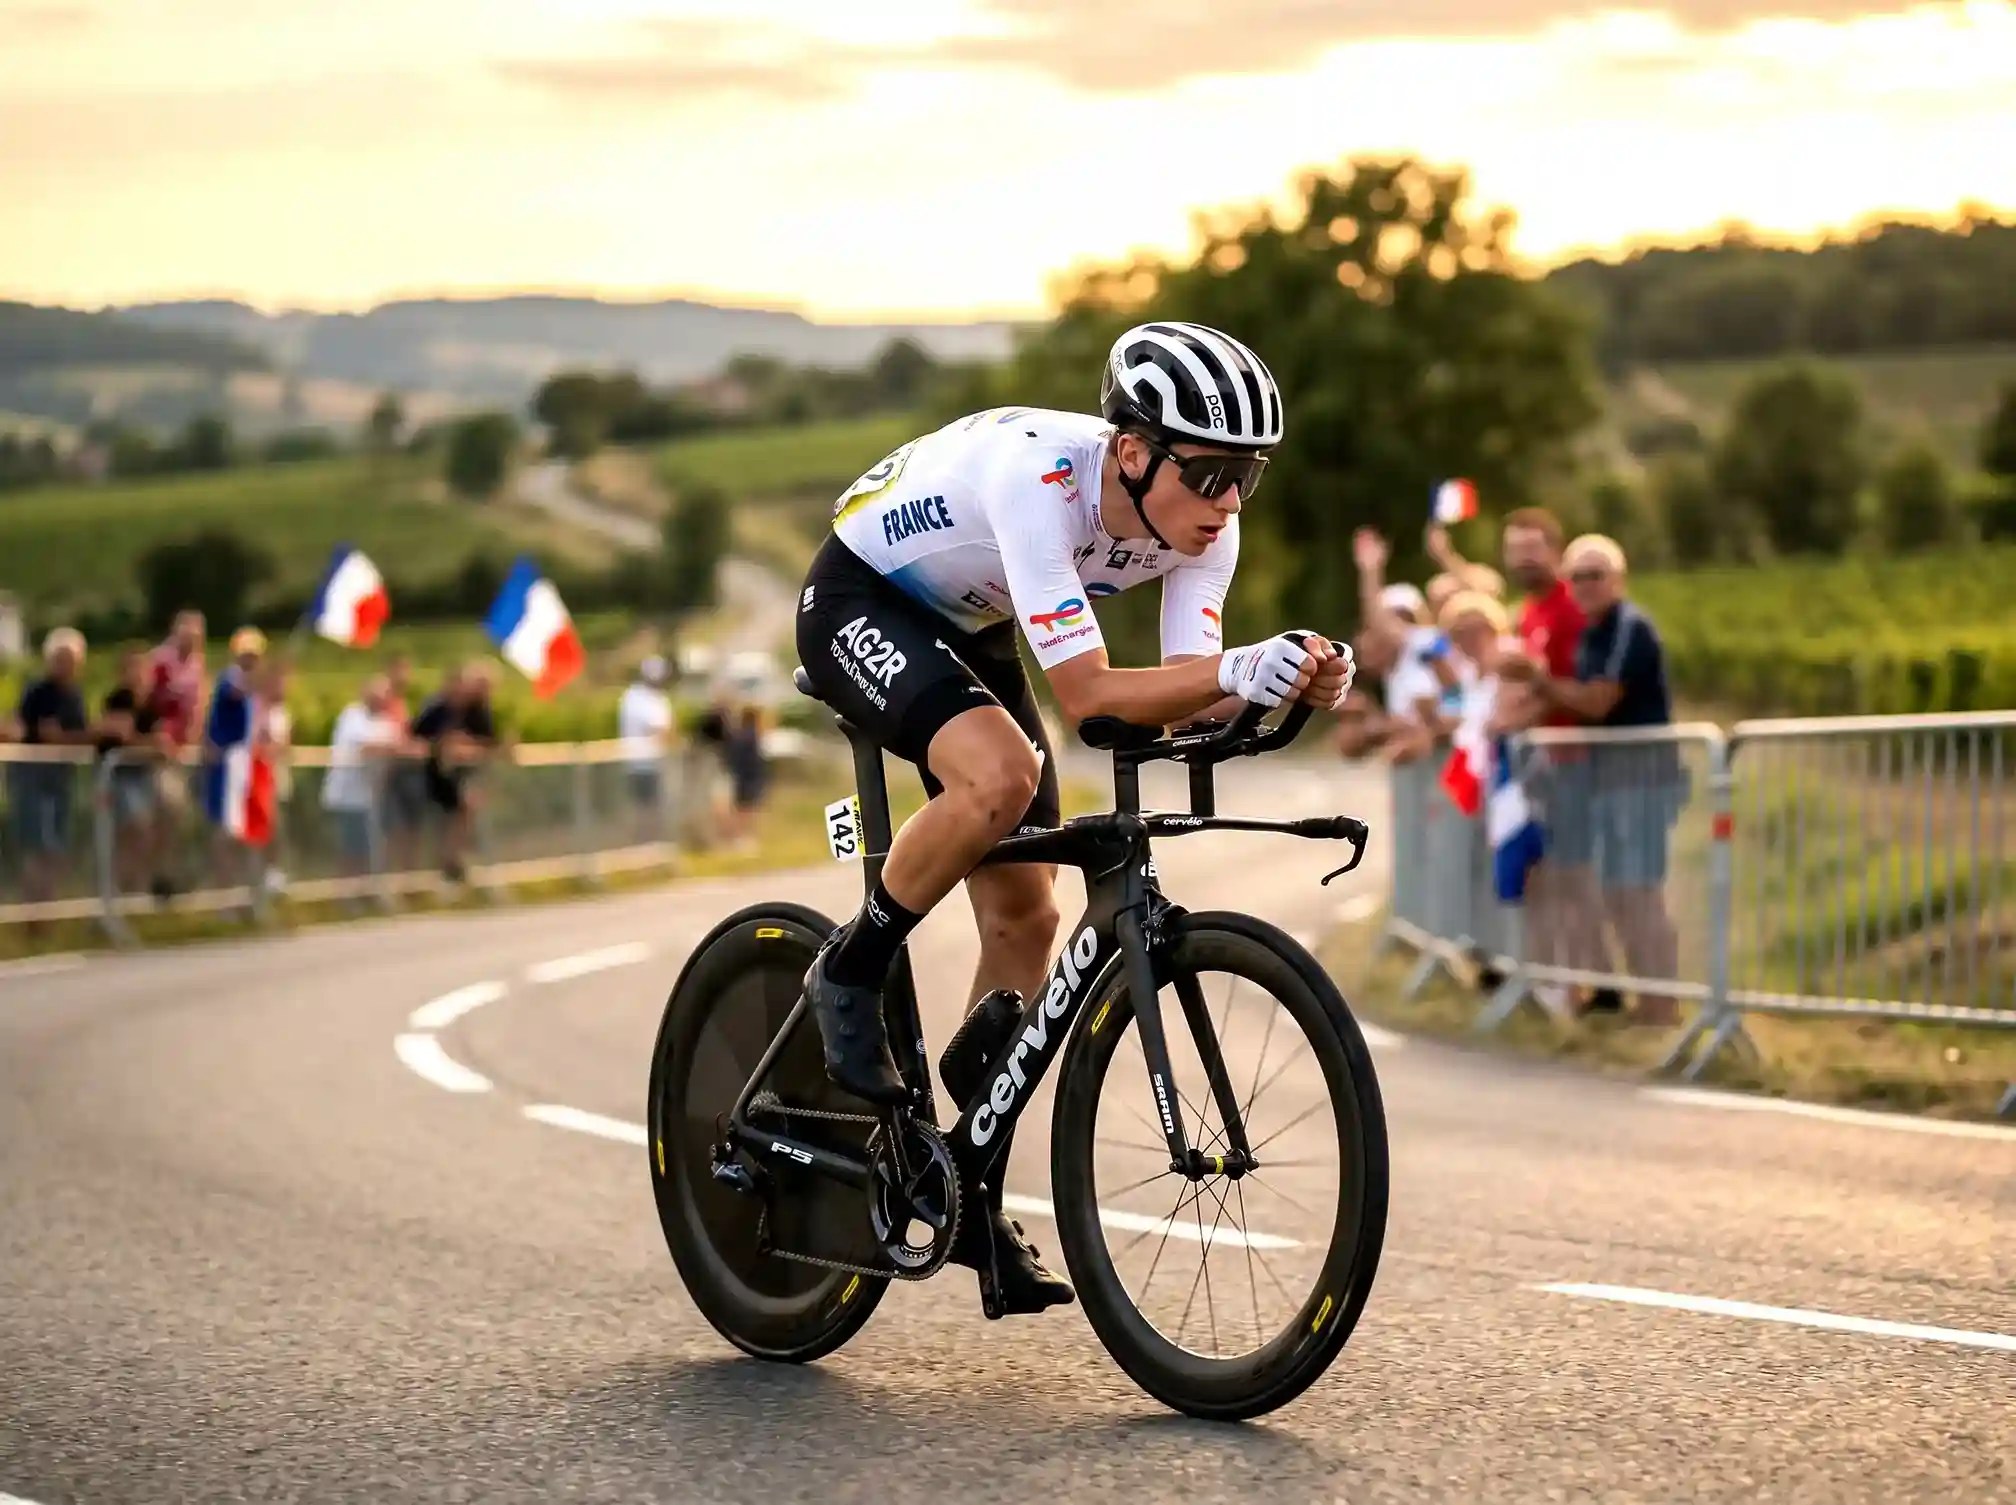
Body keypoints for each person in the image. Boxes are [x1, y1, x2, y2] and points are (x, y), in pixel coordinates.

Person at [792, 321, 1352, 1318]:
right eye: (1211, 472)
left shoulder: (1206, 528)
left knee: (1031, 915)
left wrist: (1286, 677)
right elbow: (1094, 694)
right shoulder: (1039, 483)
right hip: (860, 596)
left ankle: (957, 1181)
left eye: (1247, 477)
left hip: (969, 623)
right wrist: (1231, 672)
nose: (1227, 503)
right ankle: (851, 961)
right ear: (1133, 451)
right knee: (1000, 776)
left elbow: (1188, 686)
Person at [1503, 535, 1682, 1024]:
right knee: (1620, 893)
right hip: (1610, 779)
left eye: (1595, 574)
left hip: (1643, 779)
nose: (1584, 584)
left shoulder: (1628, 626)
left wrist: (1538, 680)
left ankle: (1662, 1006)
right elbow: (1574, 696)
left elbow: (1597, 701)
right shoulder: (1592, 633)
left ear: (1618, 579)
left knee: (1639, 891)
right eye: (1576, 575)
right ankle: (1647, 1001)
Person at [9, 627, 92, 909]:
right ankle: (31, 909)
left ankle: (49, 906)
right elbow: (32, 731)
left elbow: (77, 736)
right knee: (37, 843)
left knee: (57, 844)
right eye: (61, 658)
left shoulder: (75, 697)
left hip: (61, 776)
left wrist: (67, 739)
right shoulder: (37, 691)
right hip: (33, 774)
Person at [412, 660, 499, 883]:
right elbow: (416, 738)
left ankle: (452, 860)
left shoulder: (477, 711)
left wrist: (467, 748)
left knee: (467, 807)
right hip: (435, 774)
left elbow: (488, 743)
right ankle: (444, 862)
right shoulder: (435, 709)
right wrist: (441, 746)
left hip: (464, 775)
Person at [97, 646, 172, 897]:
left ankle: (138, 886)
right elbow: (123, 736)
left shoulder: (150, 705)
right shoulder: (117, 700)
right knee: (132, 830)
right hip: (119, 776)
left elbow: (162, 742)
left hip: (144, 774)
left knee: (150, 829)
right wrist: (150, 744)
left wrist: (154, 744)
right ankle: (119, 891)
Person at [323, 674, 399, 887]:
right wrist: (389, 748)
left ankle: (365, 889)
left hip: (372, 797)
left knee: (371, 848)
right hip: (346, 796)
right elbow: (365, 746)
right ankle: (346, 890)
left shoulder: (386, 723)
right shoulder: (352, 715)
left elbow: (395, 748)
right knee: (349, 848)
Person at [618, 655, 675, 842]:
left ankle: (651, 842)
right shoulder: (638, 698)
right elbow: (659, 728)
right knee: (646, 808)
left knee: (651, 807)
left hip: (649, 762)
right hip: (643, 763)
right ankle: (645, 844)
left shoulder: (649, 697)